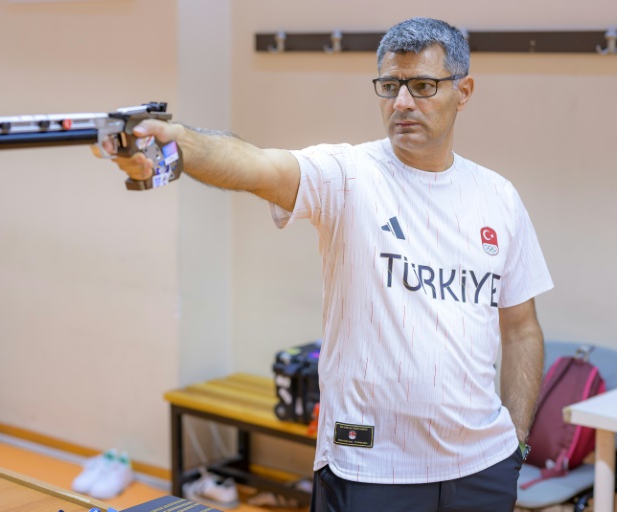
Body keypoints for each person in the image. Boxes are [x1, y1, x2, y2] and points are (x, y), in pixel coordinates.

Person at [106, 17, 553, 512]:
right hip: (369, 469)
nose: (402, 102)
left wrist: (514, 444)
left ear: (462, 92)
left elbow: (521, 329)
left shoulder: (499, 198)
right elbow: (257, 165)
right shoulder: (348, 175)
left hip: (482, 471)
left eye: (423, 86)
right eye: (390, 86)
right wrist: (176, 143)